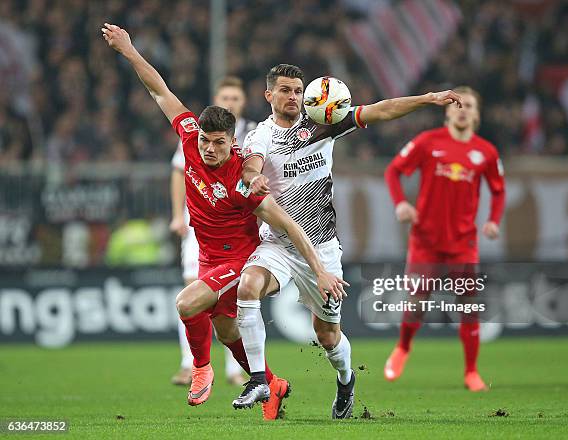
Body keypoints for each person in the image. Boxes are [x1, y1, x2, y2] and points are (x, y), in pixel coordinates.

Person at [101, 24, 347, 420]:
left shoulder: (241, 179)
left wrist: (317, 267)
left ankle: (200, 370)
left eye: (219, 143)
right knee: (226, 331)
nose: (210, 149)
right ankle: (271, 384)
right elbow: (159, 90)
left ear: (233, 142)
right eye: (205, 141)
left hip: (240, 258)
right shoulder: (188, 137)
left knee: (186, 303)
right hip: (207, 255)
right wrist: (129, 50)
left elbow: (287, 221)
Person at [234, 63, 464, 418]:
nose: (293, 97)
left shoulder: (322, 123)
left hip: (322, 247)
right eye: (284, 90)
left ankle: (345, 381)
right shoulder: (260, 135)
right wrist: (255, 179)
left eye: (298, 90)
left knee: (327, 336)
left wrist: (428, 99)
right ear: (269, 95)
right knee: (247, 287)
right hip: (279, 245)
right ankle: (259, 379)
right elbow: (251, 165)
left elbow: (382, 108)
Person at [383, 86, 505, 391]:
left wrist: (493, 220)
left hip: (463, 242)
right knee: (417, 301)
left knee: (469, 305)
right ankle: (403, 348)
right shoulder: (428, 142)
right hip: (426, 239)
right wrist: (400, 203)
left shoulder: (487, 152)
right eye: (456, 104)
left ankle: (471, 372)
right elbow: (393, 171)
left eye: (469, 105)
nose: (462, 109)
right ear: (447, 110)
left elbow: (498, 189)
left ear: (477, 115)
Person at [169, 77, 257, 387]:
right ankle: (192, 364)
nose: (230, 101)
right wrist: (176, 215)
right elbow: (179, 172)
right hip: (198, 229)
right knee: (193, 293)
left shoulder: (255, 137)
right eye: (225, 96)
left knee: (223, 311)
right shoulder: (198, 135)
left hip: (235, 237)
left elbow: (264, 194)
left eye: (236, 97)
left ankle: (240, 371)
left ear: (243, 102)